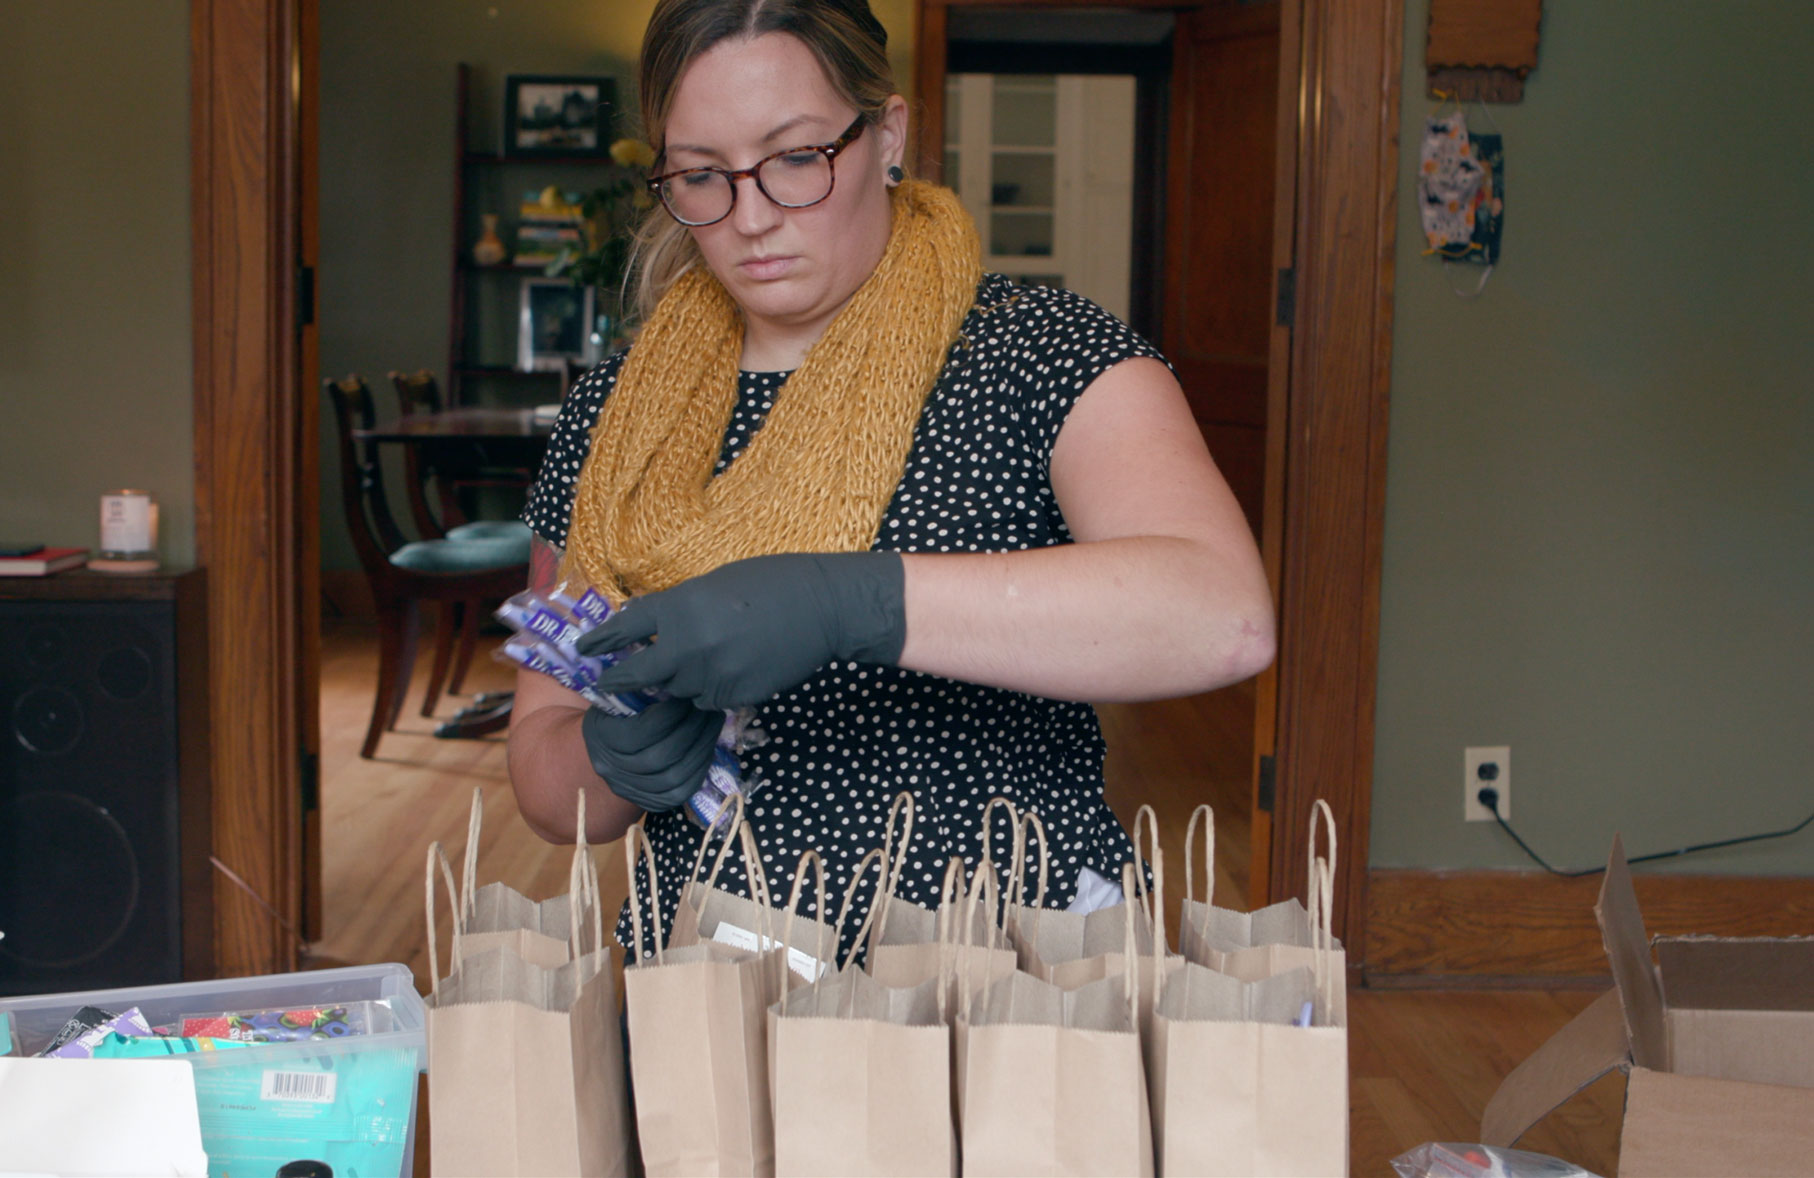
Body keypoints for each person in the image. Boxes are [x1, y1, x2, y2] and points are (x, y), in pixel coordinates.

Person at [508, 0, 1275, 955]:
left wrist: (848, 603)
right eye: (702, 175)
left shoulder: (1043, 353)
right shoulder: (616, 414)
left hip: (1010, 973)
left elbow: (1222, 615)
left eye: (794, 159)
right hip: (711, 980)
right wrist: (606, 762)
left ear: (888, 134)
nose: (750, 218)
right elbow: (543, 766)